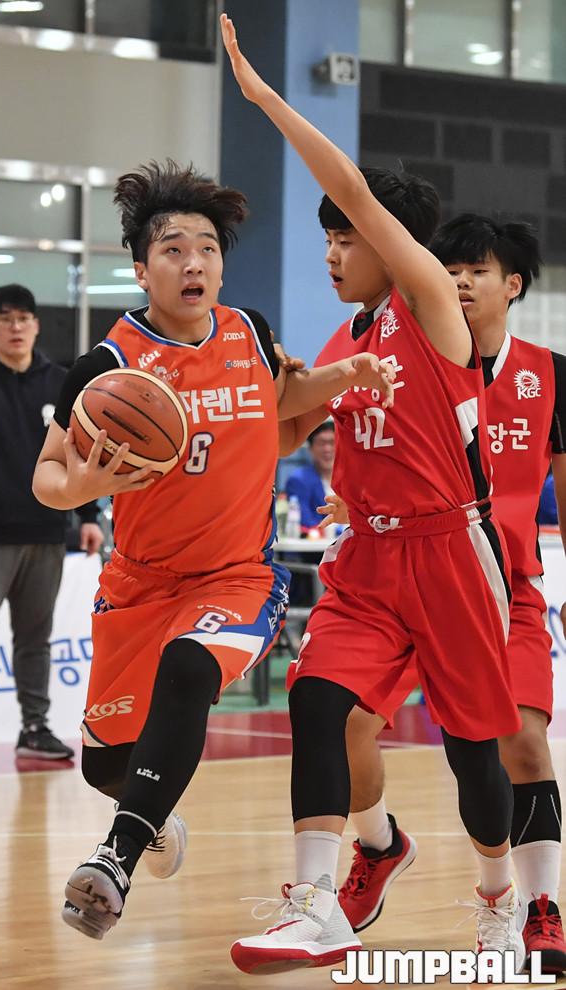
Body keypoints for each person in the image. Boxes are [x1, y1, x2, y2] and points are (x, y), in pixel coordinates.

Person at [221, 14, 527, 974]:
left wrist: (266, 99)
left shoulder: (431, 303)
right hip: (368, 557)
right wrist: (288, 393)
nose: (330, 252)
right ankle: (316, 903)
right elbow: (281, 429)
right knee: (318, 702)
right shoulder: (345, 339)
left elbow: (352, 185)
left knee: (474, 749)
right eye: (326, 239)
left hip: (450, 551)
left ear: (390, 246)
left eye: (344, 237)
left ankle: (499, 899)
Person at [31, 161, 395, 942]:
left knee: (190, 667)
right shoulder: (107, 367)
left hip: (238, 576)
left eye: (206, 248)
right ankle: (151, 818)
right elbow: (47, 478)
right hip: (139, 583)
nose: (193, 262)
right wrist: (82, 482)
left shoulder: (250, 333)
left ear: (222, 264)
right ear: (141, 269)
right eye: (172, 249)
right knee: (105, 765)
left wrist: (343, 376)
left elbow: (280, 407)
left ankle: (115, 859)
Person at [335, 215, 566, 974]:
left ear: (513, 285)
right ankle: (379, 847)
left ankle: (540, 907)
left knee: (522, 740)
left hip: (507, 590)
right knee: (345, 727)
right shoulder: (407, 360)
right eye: (450, 270)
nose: (460, 282)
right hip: (410, 577)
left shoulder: (550, 375)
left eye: (477, 270)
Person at [0, 284, 104, 765]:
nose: (16, 327)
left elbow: (80, 453)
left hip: (47, 532)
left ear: (36, 325)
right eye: (6, 319)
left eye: (24, 318)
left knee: (35, 639)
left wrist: (88, 515)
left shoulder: (62, 382)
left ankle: (35, 727)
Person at [285, 420, 336, 532]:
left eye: (332, 443)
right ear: (310, 448)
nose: (327, 449)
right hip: (316, 542)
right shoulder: (298, 480)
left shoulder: (353, 479)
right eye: (321, 443)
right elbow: (306, 522)